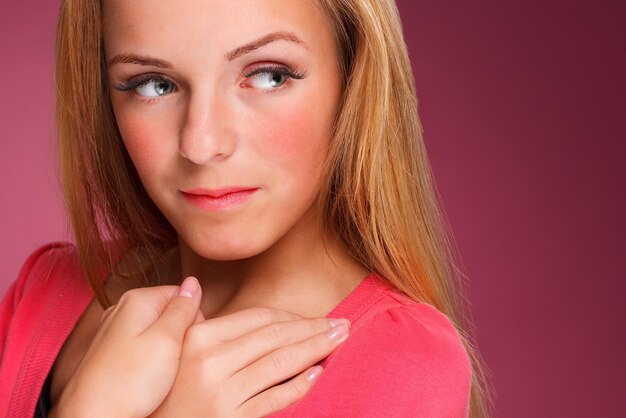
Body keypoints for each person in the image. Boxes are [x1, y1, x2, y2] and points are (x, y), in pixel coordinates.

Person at [0, 0, 491, 416]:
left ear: (353, 77)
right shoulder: (45, 291)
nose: (201, 143)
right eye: (153, 84)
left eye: (268, 75)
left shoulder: (400, 362)